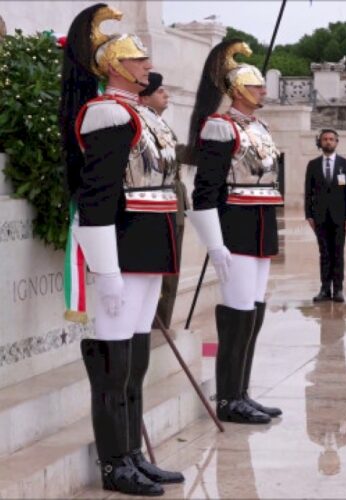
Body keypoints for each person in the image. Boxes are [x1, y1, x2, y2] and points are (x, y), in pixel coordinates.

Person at [59, 3, 184, 495]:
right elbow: (98, 195)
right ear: (113, 66)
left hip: (151, 244)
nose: (145, 63)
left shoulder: (138, 112)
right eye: (135, 58)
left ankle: (133, 452)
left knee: (134, 355)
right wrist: (106, 272)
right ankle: (115, 464)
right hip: (124, 243)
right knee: (113, 359)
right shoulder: (108, 113)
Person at [187, 39, 284, 424]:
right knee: (238, 312)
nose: (263, 91)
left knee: (254, 312)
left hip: (261, 225)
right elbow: (204, 189)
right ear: (239, 89)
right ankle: (227, 398)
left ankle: (241, 391)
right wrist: (214, 244)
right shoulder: (220, 127)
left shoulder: (259, 126)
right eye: (257, 85)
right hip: (236, 225)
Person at [136, 72, 187, 329]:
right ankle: (152, 324)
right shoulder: (144, 126)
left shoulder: (162, 125)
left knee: (171, 275)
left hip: (175, 205)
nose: (166, 95)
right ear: (144, 98)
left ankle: (161, 323)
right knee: (160, 274)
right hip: (157, 204)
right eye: (159, 91)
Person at [304, 129, 346, 303]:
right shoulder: (312, 165)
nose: (328, 142)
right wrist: (309, 215)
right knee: (324, 253)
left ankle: (339, 289)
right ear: (320, 142)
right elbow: (307, 192)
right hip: (319, 217)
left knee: (338, 253)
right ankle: (325, 289)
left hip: (340, 217)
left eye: (331, 139)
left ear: (336, 142)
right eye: (325, 139)